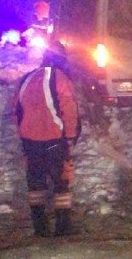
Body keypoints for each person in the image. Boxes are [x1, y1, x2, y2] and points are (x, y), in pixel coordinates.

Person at [12, 41, 81, 237]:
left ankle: (40, 226)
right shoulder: (60, 79)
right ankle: (63, 226)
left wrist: (23, 135)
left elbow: (15, 110)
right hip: (54, 140)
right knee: (62, 183)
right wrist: (69, 138)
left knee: (36, 184)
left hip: (30, 141)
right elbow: (69, 110)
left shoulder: (27, 78)